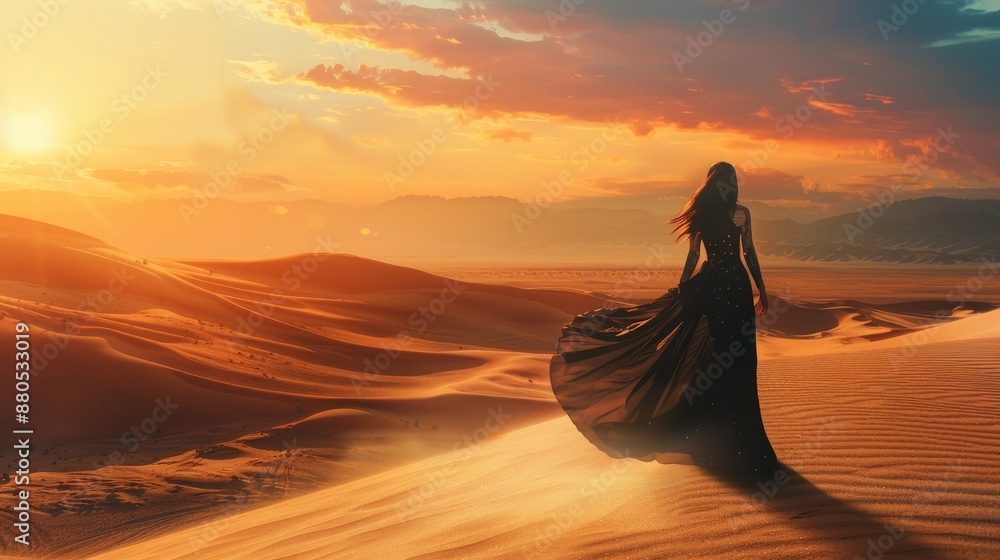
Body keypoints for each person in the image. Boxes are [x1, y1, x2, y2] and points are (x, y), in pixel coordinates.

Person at [549, 161, 778, 477]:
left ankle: (719, 439)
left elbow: (695, 256)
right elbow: (748, 253)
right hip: (735, 287)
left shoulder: (704, 213)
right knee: (739, 362)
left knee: (720, 358)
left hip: (712, 286)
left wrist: (686, 284)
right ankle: (740, 444)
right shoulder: (740, 214)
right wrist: (761, 290)